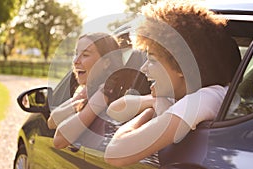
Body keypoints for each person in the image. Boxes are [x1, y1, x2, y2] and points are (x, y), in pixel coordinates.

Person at [104, 0, 241, 167]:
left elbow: (115, 153)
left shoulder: (204, 99)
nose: (143, 68)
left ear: (182, 65)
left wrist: (157, 108)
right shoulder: (191, 94)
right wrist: (156, 102)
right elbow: (115, 110)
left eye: (152, 60)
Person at [47, 32, 124, 149]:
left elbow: (59, 140)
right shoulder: (89, 90)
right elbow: (51, 121)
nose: (75, 61)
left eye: (85, 55)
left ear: (106, 62)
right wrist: (78, 100)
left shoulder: (107, 91)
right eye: (76, 53)